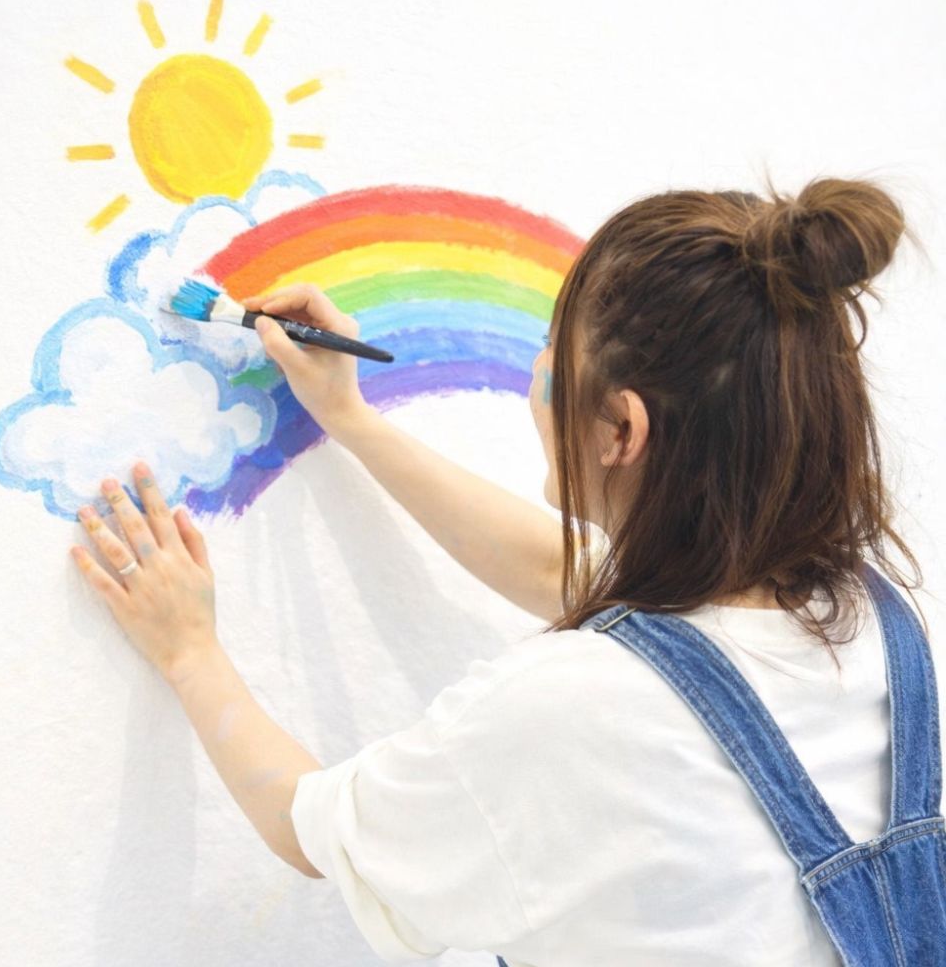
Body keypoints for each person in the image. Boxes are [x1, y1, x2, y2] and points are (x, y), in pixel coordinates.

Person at [72, 177, 946, 966]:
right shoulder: (882, 623)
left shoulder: (571, 705)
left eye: (550, 356)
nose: (534, 376)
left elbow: (309, 828)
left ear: (619, 430)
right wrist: (351, 417)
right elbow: (583, 581)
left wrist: (189, 651)